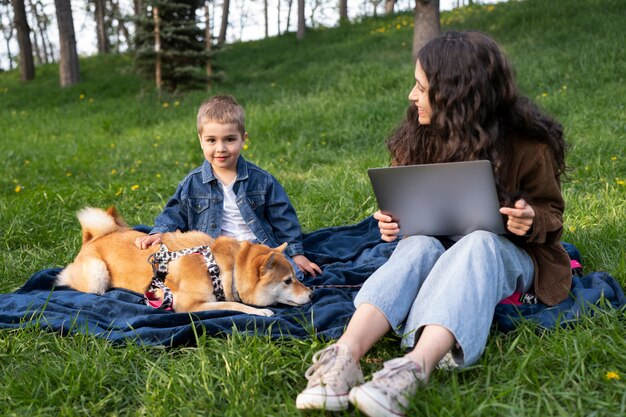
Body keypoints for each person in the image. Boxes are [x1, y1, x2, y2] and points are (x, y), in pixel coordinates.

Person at [295, 30, 571, 416]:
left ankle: (412, 371)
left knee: (478, 242)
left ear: (457, 96)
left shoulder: (527, 144)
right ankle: (343, 357)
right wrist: (392, 223)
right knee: (418, 245)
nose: (411, 95)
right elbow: (404, 206)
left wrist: (530, 219)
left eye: (421, 88)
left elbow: (552, 214)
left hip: (510, 253)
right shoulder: (418, 134)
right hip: (437, 244)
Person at [135, 95, 321, 277]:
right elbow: (174, 214)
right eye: (211, 140)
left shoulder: (261, 180)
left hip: (257, 248)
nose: (221, 148)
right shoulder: (192, 183)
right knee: (196, 277)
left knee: (286, 276)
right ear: (201, 140)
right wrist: (159, 232)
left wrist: (297, 254)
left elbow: (283, 218)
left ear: (243, 139)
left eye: (230, 139)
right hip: (217, 251)